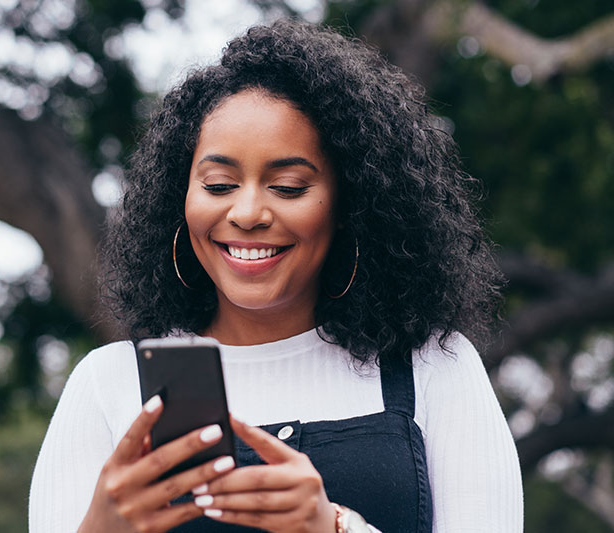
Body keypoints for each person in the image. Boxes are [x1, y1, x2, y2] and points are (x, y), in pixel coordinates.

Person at [29, 20, 523, 533]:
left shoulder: (434, 370)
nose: (247, 212)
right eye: (218, 184)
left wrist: (331, 527)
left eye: (287, 187)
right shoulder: (108, 384)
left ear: (350, 204)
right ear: (181, 198)